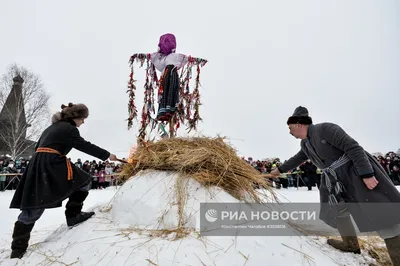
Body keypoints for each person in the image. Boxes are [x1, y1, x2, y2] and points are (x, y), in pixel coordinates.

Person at [270, 106, 400, 265]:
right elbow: (297, 159)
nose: (290, 132)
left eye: (290, 128)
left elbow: (353, 147)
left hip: (355, 176)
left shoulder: (326, 129)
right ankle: (350, 244)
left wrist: (366, 174)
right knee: (336, 208)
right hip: (335, 180)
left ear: (298, 124)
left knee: (382, 215)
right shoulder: (305, 144)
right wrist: (279, 170)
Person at [8, 103, 117, 259]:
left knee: (35, 201)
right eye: (82, 119)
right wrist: (107, 155)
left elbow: (38, 146)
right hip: (51, 162)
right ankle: (73, 215)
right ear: (75, 117)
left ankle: (17, 250)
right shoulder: (69, 129)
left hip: (37, 162)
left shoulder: (51, 128)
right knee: (84, 182)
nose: (83, 122)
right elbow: (84, 145)